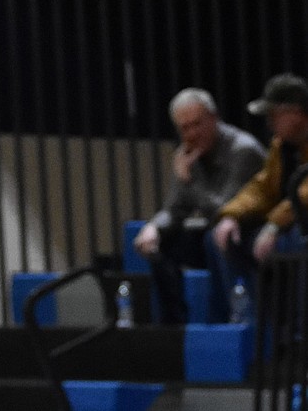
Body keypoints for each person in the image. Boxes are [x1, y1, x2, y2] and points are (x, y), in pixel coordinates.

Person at [132, 87, 265, 323]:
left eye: (197, 124)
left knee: (216, 236)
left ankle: (234, 321)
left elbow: (225, 210)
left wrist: (189, 180)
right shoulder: (190, 155)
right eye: (184, 128)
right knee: (161, 244)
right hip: (217, 231)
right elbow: (175, 209)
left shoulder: (243, 150)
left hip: (249, 232)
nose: (192, 133)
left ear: (214, 119)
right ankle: (174, 329)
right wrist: (153, 227)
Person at [212, 73, 308, 304]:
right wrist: (231, 216)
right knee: (226, 238)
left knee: (295, 242)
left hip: (298, 225)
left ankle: (298, 328)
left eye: (274, 115)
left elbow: (304, 194)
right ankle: (251, 320)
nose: (269, 123)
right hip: (289, 222)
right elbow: (262, 187)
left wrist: (273, 225)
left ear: (295, 113)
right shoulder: (281, 145)